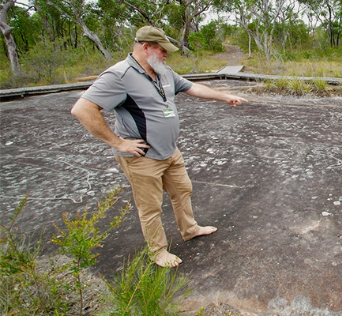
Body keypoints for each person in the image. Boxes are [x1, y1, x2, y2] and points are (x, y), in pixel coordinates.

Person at [71, 26, 248, 267]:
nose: (166, 55)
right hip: (143, 156)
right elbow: (82, 109)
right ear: (146, 48)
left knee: (183, 190)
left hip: (170, 150)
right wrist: (118, 142)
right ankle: (158, 251)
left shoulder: (163, 72)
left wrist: (224, 96)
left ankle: (190, 229)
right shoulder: (118, 76)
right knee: (151, 207)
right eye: (162, 50)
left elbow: (192, 87)